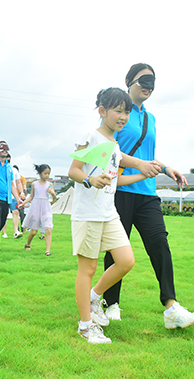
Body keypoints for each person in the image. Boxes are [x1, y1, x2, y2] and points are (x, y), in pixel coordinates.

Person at [102, 63, 194, 330]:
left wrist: (167, 169)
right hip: (120, 190)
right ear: (129, 82)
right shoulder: (116, 113)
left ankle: (171, 307)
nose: (148, 86)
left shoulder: (150, 118)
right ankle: (110, 303)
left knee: (160, 244)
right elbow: (107, 150)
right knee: (117, 248)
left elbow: (147, 155)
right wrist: (139, 165)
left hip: (147, 193)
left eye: (152, 82)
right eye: (143, 80)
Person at [69, 87, 152, 344]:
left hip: (109, 213)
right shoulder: (90, 137)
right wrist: (90, 179)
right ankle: (86, 326)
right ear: (102, 111)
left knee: (126, 261)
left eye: (127, 112)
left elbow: (116, 180)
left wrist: (143, 173)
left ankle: (94, 297)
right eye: (118, 111)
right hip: (88, 214)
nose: (123, 117)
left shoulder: (114, 145)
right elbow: (73, 170)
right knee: (88, 268)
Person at [21, 164, 56, 256]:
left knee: (48, 229)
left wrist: (52, 193)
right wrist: (23, 203)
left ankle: (47, 251)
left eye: (48, 173)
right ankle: (28, 244)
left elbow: (54, 198)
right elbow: (31, 197)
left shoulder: (50, 185)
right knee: (34, 231)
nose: (47, 175)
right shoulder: (34, 184)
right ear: (40, 174)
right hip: (36, 207)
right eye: (45, 173)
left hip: (46, 207)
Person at [0, 154, 24, 239]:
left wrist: (21, 192)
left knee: (15, 212)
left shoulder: (14, 170)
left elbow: (18, 182)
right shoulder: (0, 169)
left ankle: (16, 231)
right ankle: (4, 232)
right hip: (3, 195)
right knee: (4, 214)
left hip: (13, 195)